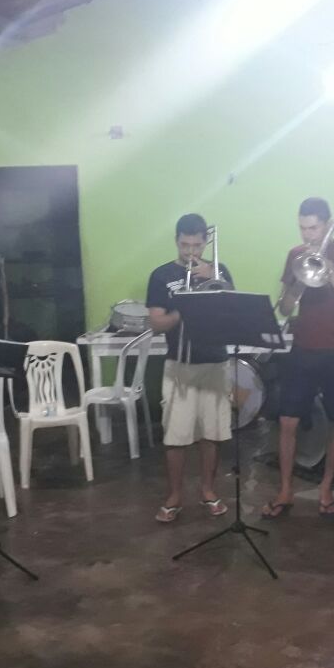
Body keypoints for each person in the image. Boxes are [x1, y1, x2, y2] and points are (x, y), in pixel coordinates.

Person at [263, 196, 334, 519]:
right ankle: (285, 490)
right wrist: (296, 286)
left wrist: (329, 269)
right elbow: (285, 309)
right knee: (287, 420)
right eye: (303, 228)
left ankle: (326, 488)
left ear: (328, 224)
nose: (308, 235)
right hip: (304, 348)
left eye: (313, 228)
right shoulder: (296, 255)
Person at [146, 213, 233, 523]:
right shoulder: (161, 275)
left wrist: (213, 279)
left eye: (196, 245)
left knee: (212, 433)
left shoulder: (220, 270)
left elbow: (232, 312)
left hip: (215, 361)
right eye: (185, 245)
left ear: (206, 242)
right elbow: (156, 323)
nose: (191, 252)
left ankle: (208, 491)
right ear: (176, 241)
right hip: (179, 364)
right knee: (176, 435)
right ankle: (174, 496)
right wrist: (185, 306)